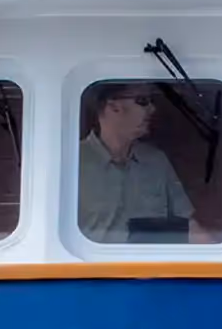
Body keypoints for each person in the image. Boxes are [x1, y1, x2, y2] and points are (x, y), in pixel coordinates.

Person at [78, 84, 204, 243]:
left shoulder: (156, 160)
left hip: (150, 266)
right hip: (93, 267)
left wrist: (218, 257)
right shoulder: (72, 162)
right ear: (113, 107)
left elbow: (190, 227)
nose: (153, 109)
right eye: (143, 101)